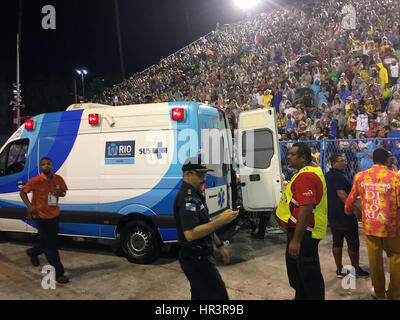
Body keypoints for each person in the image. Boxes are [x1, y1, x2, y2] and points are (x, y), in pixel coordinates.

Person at [173, 157, 239, 300]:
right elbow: (190, 234)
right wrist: (221, 221)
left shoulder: (196, 193)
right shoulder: (187, 198)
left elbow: (205, 224)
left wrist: (220, 246)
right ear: (187, 174)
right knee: (219, 296)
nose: (204, 179)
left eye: (205, 174)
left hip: (202, 256)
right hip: (196, 260)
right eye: (200, 175)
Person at [345, 148, 400, 300]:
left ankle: (380, 293)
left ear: (373, 159)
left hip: (370, 225)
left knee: (375, 261)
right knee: (396, 258)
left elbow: (351, 198)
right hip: (392, 226)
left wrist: (348, 209)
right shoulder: (395, 177)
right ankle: (395, 294)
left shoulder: (361, 176)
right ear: (387, 160)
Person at [276, 142, 327, 300]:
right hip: (305, 230)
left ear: (303, 158)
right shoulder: (312, 170)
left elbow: (306, 208)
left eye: (292, 154)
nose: (288, 157)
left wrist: (296, 240)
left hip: (304, 233)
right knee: (300, 273)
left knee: (308, 274)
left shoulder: (306, 176)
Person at [19, 157, 69, 284]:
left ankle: (32, 252)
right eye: (43, 164)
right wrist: (30, 206)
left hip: (54, 215)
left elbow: (63, 193)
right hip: (41, 217)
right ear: (40, 167)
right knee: (51, 247)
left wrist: (60, 194)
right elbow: (23, 193)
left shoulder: (58, 179)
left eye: (48, 164)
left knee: (49, 243)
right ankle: (59, 274)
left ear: (52, 165)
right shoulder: (36, 180)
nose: (46, 166)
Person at [325, 154, 369, 279]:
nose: (345, 162)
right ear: (334, 163)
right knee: (353, 242)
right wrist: (356, 209)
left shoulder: (329, 175)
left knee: (337, 242)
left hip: (333, 214)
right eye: (341, 161)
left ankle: (339, 269)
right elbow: (342, 195)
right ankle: (356, 269)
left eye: (345, 160)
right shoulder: (337, 176)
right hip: (345, 214)